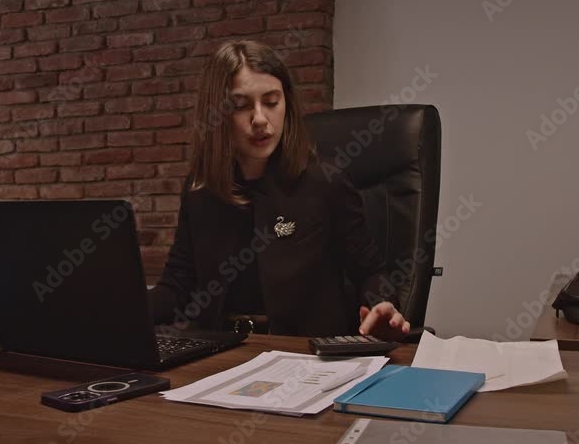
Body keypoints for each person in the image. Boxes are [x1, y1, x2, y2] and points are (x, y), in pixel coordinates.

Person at [150, 40, 410, 341]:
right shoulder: (201, 189)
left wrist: (382, 306)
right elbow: (178, 283)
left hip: (302, 352)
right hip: (221, 348)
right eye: (240, 106)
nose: (260, 119)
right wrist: (122, 311)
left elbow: (371, 272)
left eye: (272, 102)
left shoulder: (325, 182)